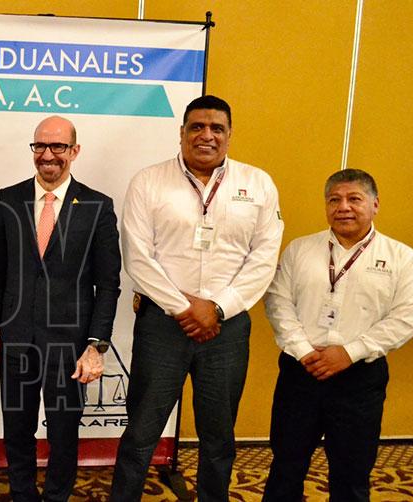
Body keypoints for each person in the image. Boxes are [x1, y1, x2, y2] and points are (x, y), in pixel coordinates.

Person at [111, 95, 284, 501]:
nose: (207, 135)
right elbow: (137, 255)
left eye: (216, 128)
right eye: (197, 127)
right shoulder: (149, 181)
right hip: (162, 326)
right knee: (141, 433)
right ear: (182, 132)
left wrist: (218, 308)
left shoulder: (258, 184)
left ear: (229, 134)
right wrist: (185, 308)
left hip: (226, 329)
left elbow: (263, 258)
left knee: (218, 437)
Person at [262, 169, 413, 501]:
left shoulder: (402, 258)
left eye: (355, 199)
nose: (343, 207)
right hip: (301, 372)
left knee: (352, 474)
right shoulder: (299, 250)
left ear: (375, 204)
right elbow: (278, 301)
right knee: (286, 467)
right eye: (334, 200)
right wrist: (302, 349)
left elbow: (406, 316)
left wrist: (350, 352)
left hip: (359, 378)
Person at [0, 115, 121, 502]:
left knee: (63, 434)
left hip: (69, 346)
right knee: (17, 431)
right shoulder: (8, 199)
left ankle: (57, 497)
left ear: (74, 151)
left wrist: (96, 345)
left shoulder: (97, 206)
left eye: (58, 146)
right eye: (40, 145)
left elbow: (108, 283)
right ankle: (22, 495)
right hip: (16, 341)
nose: (47, 154)